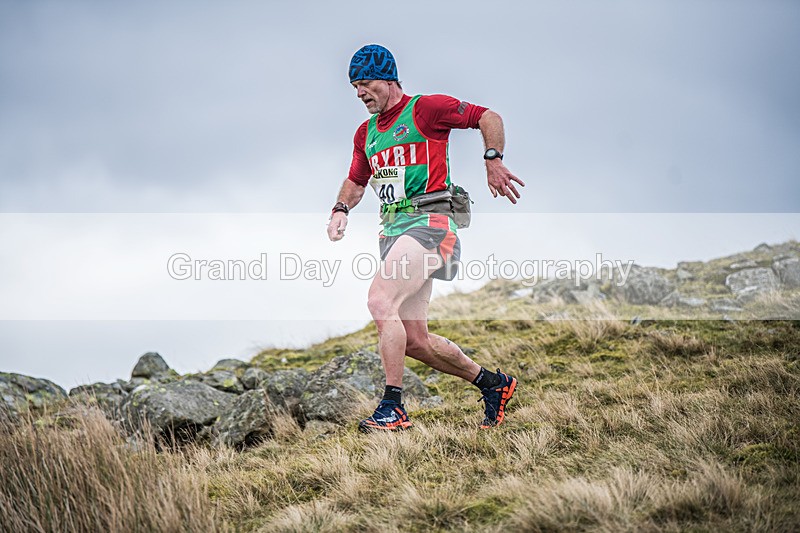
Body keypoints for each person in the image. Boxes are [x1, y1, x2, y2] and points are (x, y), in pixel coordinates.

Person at [327, 44, 525, 432]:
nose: (360, 93)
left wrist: (493, 159)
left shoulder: (425, 110)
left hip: (430, 224)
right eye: (354, 87)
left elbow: (488, 116)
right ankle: (492, 384)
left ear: (388, 79)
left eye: (365, 83)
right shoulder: (366, 134)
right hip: (392, 231)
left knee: (379, 300)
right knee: (415, 341)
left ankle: (392, 408)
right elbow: (356, 180)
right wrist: (340, 208)